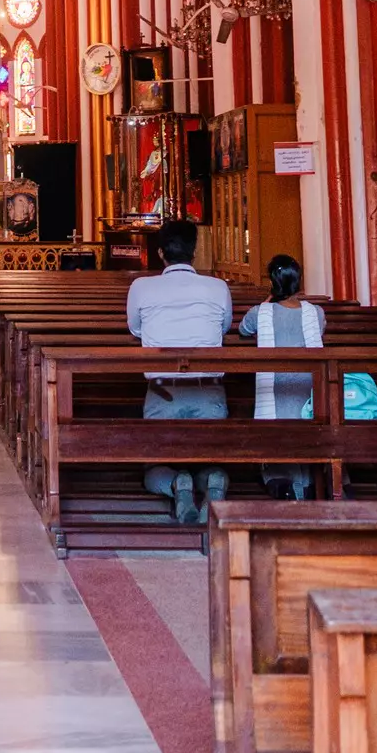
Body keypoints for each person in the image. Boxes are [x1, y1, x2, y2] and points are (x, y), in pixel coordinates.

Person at [126, 218, 233, 525]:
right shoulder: (218, 287)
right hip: (209, 391)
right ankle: (213, 482)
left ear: (160, 253)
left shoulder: (141, 287)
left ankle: (176, 484)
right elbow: (223, 328)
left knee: (153, 466)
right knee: (213, 461)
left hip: (163, 392)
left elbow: (135, 328)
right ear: (194, 252)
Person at [239, 252, 325, 498]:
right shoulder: (315, 313)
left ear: (272, 283)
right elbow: (320, 331)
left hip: (274, 387)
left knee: (277, 429)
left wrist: (268, 302)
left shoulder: (260, 312)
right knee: (305, 425)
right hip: (307, 386)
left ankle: (282, 480)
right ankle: (306, 481)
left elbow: (244, 330)